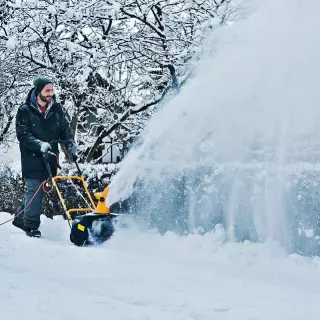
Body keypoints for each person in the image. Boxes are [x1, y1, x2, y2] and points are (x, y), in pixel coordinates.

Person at [13, 77, 77, 237]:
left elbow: (64, 130)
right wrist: (39, 144)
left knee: (38, 191)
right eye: (47, 90)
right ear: (38, 91)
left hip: (51, 157)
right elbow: (23, 135)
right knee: (35, 188)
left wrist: (69, 143)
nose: (50, 94)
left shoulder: (57, 109)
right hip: (32, 158)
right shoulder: (25, 110)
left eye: (52, 90)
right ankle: (30, 226)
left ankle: (20, 217)